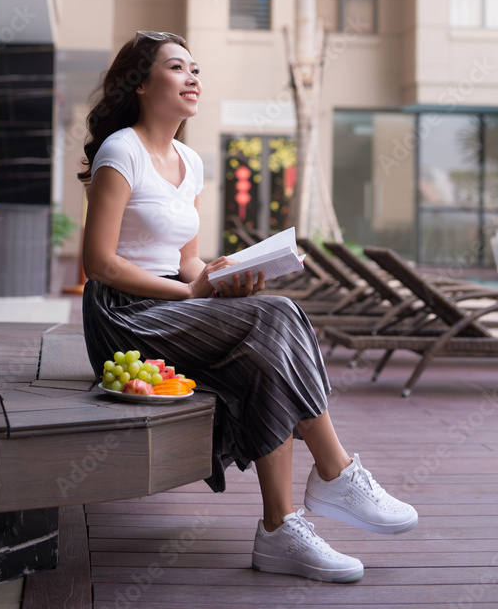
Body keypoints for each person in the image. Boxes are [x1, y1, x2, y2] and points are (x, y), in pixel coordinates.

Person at [78, 30, 418, 585]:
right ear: (141, 84)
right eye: (176, 68)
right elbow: (101, 264)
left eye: (196, 68)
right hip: (125, 315)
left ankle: (280, 530)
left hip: (176, 305)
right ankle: (334, 472)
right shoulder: (122, 151)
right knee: (277, 316)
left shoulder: (190, 160)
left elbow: (185, 262)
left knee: (265, 340)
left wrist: (219, 277)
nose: (193, 78)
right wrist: (191, 293)